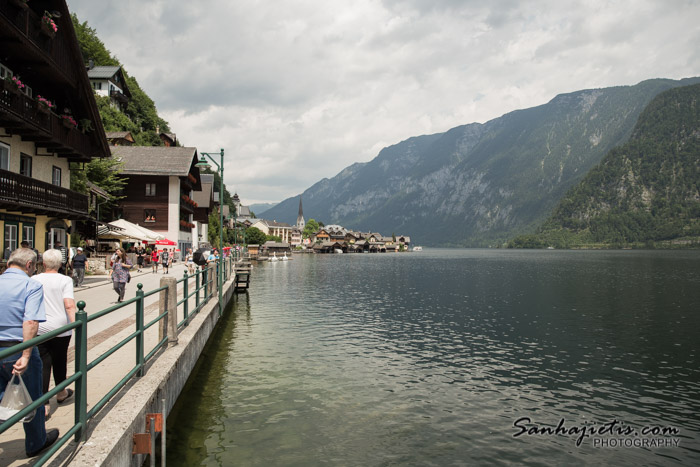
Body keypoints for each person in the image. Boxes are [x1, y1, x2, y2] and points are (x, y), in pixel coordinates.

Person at [0, 248, 59, 458]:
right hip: (15, 347)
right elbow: (31, 321)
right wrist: (25, 355)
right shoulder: (30, 285)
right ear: (29, 266)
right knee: (33, 397)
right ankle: (36, 443)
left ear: (8, 264)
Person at [33, 250, 76, 419]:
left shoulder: (34, 279)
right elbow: (69, 305)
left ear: (43, 263)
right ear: (60, 264)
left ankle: (43, 404)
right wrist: (76, 324)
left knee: (43, 364)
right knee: (60, 361)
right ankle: (60, 393)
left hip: (40, 328)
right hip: (61, 328)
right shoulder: (65, 280)